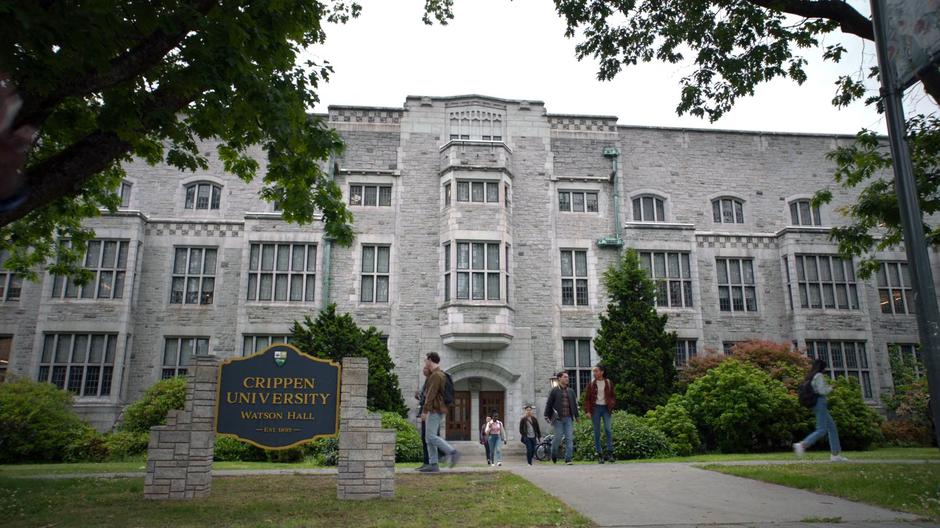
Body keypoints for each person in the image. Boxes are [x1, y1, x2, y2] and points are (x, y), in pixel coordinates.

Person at [793, 359, 848, 462]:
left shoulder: (810, 377)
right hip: (820, 402)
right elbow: (822, 391)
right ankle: (803, 444)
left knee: (832, 427)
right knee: (822, 429)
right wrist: (832, 387)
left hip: (815, 404)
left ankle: (835, 454)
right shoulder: (819, 376)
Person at [419, 352, 460, 472]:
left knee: (431, 436)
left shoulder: (436, 375)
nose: (425, 362)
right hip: (437, 408)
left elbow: (430, 395)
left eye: (426, 360)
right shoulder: (438, 374)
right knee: (428, 437)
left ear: (430, 360)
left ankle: (452, 452)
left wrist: (425, 411)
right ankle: (433, 464)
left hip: (435, 409)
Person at [544, 370, 579, 465]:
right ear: (559, 378)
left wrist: (577, 416)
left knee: (569, 438)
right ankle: (553, 452)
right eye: (565, 377)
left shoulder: (571, 391)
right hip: (558, 419)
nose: (567, 379)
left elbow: (574, 405)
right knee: (558, 437)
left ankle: (568, 459)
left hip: (568, 418)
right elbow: (549, 404)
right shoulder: (554, 391)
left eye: (567, 377)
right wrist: (546, 415)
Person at [584, 364, 616, 463]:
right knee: (597, 432)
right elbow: (587, 399)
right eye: (593, 371)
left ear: (602, 372)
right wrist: (588, 411)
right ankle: (600, 454)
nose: (594, 373)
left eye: (596, 371)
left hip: (606, 409)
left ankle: (610, 453)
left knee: (608, 429)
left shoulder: (609, 382)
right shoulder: (591, 384)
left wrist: (612, 404)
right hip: (595, 409)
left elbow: (613, 396)